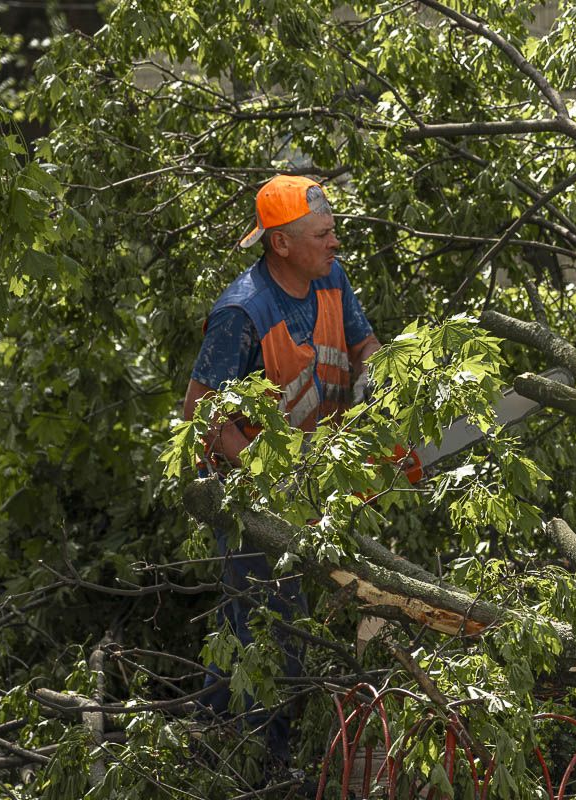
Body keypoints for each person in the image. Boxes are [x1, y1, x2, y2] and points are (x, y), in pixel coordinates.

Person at [184, 174, 380, 770]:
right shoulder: (242, 312)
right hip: (251, 496)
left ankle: (206, 745)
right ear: (282, 245)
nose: (336, 243)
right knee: (273, 628)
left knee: (247, 627)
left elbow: (365, 345)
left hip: (319, 482)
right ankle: (270, 768)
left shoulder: (331, 279)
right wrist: (282, 478)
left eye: (334, 230)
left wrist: (377, 385)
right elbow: (204, 420)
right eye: (323, 234)